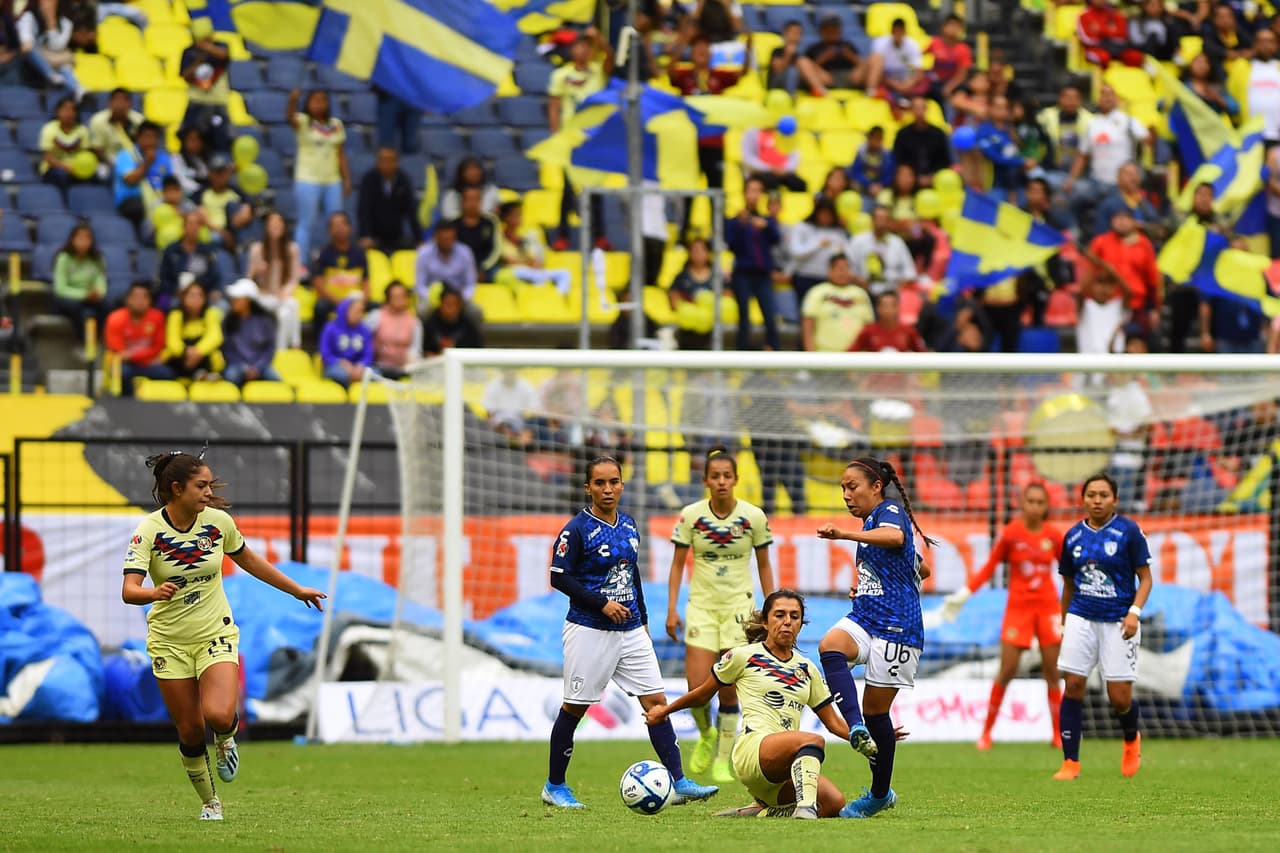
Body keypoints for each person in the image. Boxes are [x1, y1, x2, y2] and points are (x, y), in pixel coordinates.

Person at [122, 448, 325, 820]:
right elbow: (129, 590)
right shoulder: (148, 531)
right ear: (177, 488)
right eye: (201, 486)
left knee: (217, 713)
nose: (209, 492)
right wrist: (153, 592)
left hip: (215, 631)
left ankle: (226, 738)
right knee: (189, 730)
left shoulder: (218, 523)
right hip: (169, 640)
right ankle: (210, 803)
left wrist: (297, 590)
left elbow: (249, 560)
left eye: (210, 485)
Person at [540, 455, 719, 809]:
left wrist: (645, 619)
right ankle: (554, 785)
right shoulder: (576, 529)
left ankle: (678, 781)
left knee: (657, 703)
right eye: (600, 483)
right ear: (588, 487)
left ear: (622, 484)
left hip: (632, 629)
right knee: (574, 708)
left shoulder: (628, 525)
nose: (608, 489)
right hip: (590, 629)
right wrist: (601, 603)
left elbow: (631, 573)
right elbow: (558, 576)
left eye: (614, 482)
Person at [645, 590, 853, 819]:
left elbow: (834, 723)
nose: (787, 622)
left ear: (801, 624)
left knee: (834, 804)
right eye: (779, 615)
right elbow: (702, 694)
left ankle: (760, 811)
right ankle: (804, 810)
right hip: (753, 751)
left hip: (786, 762)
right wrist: (664, 711)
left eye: (795, 617)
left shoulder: (808, 669)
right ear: (765, 622)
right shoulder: (743, 656)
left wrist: (870, 740)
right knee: (813, 740)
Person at [816, 456, 935, 818]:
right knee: (830, 646)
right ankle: (854, 728)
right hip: (868, 616)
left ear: (876, 487)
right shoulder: (871, 523)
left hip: (898, 625)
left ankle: (880, 793)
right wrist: (871, 585)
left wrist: (844, 534)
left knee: (877, 713)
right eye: (842, 489)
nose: (846, 495)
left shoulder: (889, 511)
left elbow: (897, 538)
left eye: (852, 487)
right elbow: (922, 567)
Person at [665, 447, 776, 786]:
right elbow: (677, 564)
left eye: (728, 476)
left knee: (729, 689)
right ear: (706, 480)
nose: (722, 482)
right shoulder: (691, 516)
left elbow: (764, 564)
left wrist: (770, 608)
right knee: (697, 686)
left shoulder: (753, 517)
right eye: (716, 476)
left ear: (736, 479)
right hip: (701, 606)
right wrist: (671, 608)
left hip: (739, 610)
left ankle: (723, 761)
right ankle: (706, 734)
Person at [941, 483, 1065, 750]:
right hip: (1018, 609)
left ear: (1046, 507)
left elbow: (1069, 572)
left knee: (1052, 671)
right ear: (1022, 503)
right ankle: (986, 733)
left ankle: (1058, 734)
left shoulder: (1054, 536)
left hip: (1048, 609)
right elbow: (988, 568)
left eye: (1039, 502)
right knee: (1007, 669)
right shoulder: (1012, 533)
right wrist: (964, 594)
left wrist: (1069, 608)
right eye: (1030, 501)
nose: (1034, 506)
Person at [1052, 472, 1152, 781]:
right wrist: (1064, 621)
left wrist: (1134, 612)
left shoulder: (1129, 532)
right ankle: (1071, 762)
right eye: (1092, 495)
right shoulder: (1072, 537)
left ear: (1115, 500)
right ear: (1082, 499)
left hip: (1118, 620)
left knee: (1119, 695)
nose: (1097, 500)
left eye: (1104, 495)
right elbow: (1069, 584)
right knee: (1074, 686)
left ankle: (1131, 739)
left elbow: (1145, 578)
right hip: (1081, 615)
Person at [547, 28, 611, 250]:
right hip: (570, 139)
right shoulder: (560, 75)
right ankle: (562, 235)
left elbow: (613, 61)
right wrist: (556, 136)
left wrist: (599, 39)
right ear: (572, 49)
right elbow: (554, 107)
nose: (584, 50)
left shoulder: (598, 72)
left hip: (593, 139)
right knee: (567, 189)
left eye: (588, 46)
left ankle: (599, 237)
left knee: (595, 190)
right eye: (580, 45)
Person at [289, 87, 349, 263]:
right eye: (315, 100)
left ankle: (334, 260)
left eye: (323, 100)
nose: (319, 104)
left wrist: (346, 179)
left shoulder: (336, 124)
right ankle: (300, 265)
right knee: (306, 222)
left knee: (336, 223)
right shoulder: (303, 121)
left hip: (332, 180)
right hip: (308, 179)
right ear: (307, 103)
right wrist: (292, 101)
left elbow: (341, 154)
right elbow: (290, 118)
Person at [725, 176, 781, 351]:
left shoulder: (766, 220)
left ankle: (773, 351)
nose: (755, 195)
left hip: (763, 274)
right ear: (744, 193)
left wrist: (767, 225)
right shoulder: (735, 221)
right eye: (752, 190)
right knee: (744, 318)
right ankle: (742, 354)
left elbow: (777, 239)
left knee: (770, 316)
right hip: (743, 274)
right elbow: (731, 244)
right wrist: (742, 225)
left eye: (758, 191)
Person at [246, 210, 302, 350]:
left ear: (284, 226)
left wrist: (285, 292)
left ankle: (286, 347)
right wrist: (257, 271)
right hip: (263, 296)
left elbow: (294, 279)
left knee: (289, 308)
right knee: (289, 307)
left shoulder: (292, 249)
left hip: (281, 295)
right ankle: (294, 345)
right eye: (272, 223)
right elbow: (248, 279)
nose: (275, 226)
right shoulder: (257, 249)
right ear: (266, 227)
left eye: (279, 223)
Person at [310, 211, 369, 340]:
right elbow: (318, 284)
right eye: (334, 225)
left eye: (342, 224)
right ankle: (320, 346)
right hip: (333, 300)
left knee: (376, 308)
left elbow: (366, 282)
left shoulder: (359, 253)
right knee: (320, 307)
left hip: (355, 299)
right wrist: (339, 302)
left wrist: (362, 301)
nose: (339, 229)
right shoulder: (323, 253)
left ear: (350, 228)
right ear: (329, 231)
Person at [104, 281, 170, 395]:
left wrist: (133, 355)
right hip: (126, 364)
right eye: (135, 297)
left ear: (150, 301)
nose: (139, 301)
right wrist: (133, 357)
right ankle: (128, 404)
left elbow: (158, 346)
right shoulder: (115, 318)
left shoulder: (157, 317)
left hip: (148, 363)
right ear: (127, 300)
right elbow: (117, 350)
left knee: (166, 374)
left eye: (144, 297)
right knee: (122, 373)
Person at [801, 254, 874, 353]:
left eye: (846, 268)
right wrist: (811, 356)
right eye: (839, 268)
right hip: (825, 356)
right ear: (829, 271)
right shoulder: (817, 292)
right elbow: (808, 325)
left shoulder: (861, 294)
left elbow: (869, 327)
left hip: (856, 359)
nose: (842, 272)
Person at [179, 18, 232, 154]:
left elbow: (225, 55)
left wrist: (207, 47)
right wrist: (200, 58)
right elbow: (185, 75)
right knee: (190, 140)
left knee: (220, 141)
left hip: (218, 103)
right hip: (196, 103)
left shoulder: (221, 46)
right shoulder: (189, 52)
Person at [51, 222, 107, 344]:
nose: (84, 241)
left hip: (90, 298)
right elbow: (60, 289)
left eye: (87, 238)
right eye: (80, 238)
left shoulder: (97, 259)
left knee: (107, 305)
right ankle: (83, 343)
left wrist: (97, 294)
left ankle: (101, 343)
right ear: (72, 239)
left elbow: (100, 283)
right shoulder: (63, 258)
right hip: (68, 298)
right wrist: (84, 295)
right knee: (81, 311)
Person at [114, 121, 176, 232]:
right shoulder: (127, 155)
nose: (151, 141)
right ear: (138, 138)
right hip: (132, 201)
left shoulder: (163, 157)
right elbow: (131, 180)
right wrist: (147, 162)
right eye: (147, 136)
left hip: (160, 200)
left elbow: (169, 183)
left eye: (155, 137)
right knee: (137, 208)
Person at [498, 202, 571, 293]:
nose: (519, 218)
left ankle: (557, 298)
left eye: (519, 215)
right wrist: (528, 262)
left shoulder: (525, 237)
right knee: (527, 273)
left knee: (564, 273)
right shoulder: (498, 238)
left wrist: (534, 263)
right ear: (506, 218)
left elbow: (535, 259)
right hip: (515, 272)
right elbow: (509, 261)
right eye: (515, 215)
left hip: (530, 271)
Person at [219, 278, 280, 386]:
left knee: (276, 380)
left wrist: (257, 367)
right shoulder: (227, 321)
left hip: (260, 366)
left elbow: (269, 348)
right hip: (236, 365)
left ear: (248, 301)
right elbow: (227, 350)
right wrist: (243, 367)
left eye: (237, 299)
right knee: (230, 377)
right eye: (233, 299)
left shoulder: (265, 321)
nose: (233, 302)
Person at [357, 147, 418, 253]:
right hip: (373, 236)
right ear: (378, 162)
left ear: (397, 162)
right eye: (384, 160)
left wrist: (419, 238)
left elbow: (411, 211)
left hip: (397, 235)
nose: (387, 164)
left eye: (391, 160)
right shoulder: (368, 179)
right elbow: (364, 210)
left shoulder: (403, 180)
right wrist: (366, 236)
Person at [847, 206, 915, 300]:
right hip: (863, 292)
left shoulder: (897, 242)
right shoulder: (858, 241)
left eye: (884, 219)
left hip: (891, 293)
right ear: (872, 220)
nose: (880, 222)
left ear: (889, 221)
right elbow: (847, 268)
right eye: (878, 218)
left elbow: (910, 272)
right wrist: (859, 281)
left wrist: (896, 291)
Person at [789, 199, 849, 304]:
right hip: (805, 277)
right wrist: (818, 245)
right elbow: (796, 252)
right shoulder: (802, 227)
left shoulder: (838, 232)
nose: (825, 218)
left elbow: (845, 255)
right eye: (823, 214)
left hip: (829, 279)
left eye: (829, 215)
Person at [158, 212, 221, 309]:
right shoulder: (171, 250)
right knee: (164, 303)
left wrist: (213, 290)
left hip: (201, 293)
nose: (194, 227)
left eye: (197, 224)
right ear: (183, 227)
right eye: (191, 224)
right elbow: (164, 277)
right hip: (175, 292)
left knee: (221, 305)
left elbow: (214, 276)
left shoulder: (206, 251)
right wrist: (176, 290)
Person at [164, 281, 223, 381]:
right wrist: (186, 353)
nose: (196, 299)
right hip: (181, 357)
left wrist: (198, 352)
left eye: (199, 296)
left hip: (203, 356)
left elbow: (215, 337)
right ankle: (199, 375)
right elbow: (172, 342)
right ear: (183, 298)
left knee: (214, 356)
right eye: (191, 295)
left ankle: (202, 374)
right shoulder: (175, 315)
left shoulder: (211, 313)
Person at [796, 14, 867, 96]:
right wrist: (823, 58)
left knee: (874, 58)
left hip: (851, 77)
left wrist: (850, 56)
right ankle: (820, 91)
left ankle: (871, 90)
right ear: (822, 31)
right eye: (828, 29)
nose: (832, 32)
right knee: (802, 61)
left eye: (835, 29)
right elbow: (806, 70)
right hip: (827, 77)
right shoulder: (814, 47)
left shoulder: (848, 45)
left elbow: (861, 65)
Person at [366, 280, 421, 379]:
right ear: (388, 298)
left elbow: (416, 349)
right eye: (396, 297)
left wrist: (411, 365)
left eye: (403, 296)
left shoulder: (415, 322)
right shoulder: (376, 316)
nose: (400, 300)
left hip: (404, 369)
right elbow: (364, 339)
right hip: (379, 368)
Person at [39, 95, 91, 200]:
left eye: (72, 110)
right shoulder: (49, 129)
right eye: (65, 109)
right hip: (53, 169)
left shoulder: (82, 131)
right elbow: (48, 158)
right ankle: (64, 203)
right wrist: (66, 168)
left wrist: (79, 168)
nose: (69, 113)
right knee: (61, 175)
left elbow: (85, 155)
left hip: (77, 169)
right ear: (57, 111)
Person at [197, 154, 252, 250]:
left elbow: (248, 208)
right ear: (210, 174)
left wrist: (247, 210)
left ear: (228, 173)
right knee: (214, 238)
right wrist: (224, 234)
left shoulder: (237, 192)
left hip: (236, 230)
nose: (220, 176)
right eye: (216, 173)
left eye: (223, 172)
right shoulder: (202, 193)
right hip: (214, 232)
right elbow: (203, 218)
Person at [892, 97, 951, 186]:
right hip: (910, 179)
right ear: (911, 111)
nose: (919, 112)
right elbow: (899, 159)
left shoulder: (938, 134)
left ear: (926, 109)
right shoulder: (903, 134)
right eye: (916, 109)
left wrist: (932, 175)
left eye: (921, 108)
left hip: (935, 176)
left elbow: (944, 160)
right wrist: (914, 177)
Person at [866, 18, 928, 102]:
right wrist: (893, 84)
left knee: (924, 82)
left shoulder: (912, 45)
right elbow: (876, 69)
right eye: (896, 31)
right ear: (892, 31)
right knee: (874, 60)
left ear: (904, 32)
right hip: (887, 81)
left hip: (905, 82)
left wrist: (908, 84)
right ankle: (871, 91)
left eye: (900, 31)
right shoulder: (881, 43)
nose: (898, 35)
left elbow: (919, 71)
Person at [319, 295, 373, 387]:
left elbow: (368, 355)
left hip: (358, 367)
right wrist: (342, 362)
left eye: (361, 311)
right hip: (335, 366)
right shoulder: (330, 328)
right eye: (356, 311)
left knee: (375, 374)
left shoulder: (365, 330)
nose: (360, 315)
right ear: (345, 310)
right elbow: (325, 354)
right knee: (341, 375)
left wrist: (360, 365)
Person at [414, 221, 477, 303]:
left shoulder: (465, 252)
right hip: (432, 299)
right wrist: (435, 299)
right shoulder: (423, 253)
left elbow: (470, 284)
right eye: (444, 239)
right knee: (422, 310)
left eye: (450, 239)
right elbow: (420, 285)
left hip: (459, 299)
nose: (447, 242)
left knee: (475, 312)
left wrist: (461, 298)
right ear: (436, 236)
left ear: (455, 236)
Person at [451, 185, 501, 281]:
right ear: (462, 202)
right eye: (469, 199)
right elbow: (449, 249)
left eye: (476, 199)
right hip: (459, 266)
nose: (472, 203)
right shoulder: (453, 222)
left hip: (486, 266)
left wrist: (483, 267)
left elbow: (496, 249)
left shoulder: (491, 221)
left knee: (497, 275)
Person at [89, 87, 144, 167]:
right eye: (117, 100)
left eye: (124, 100)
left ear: (130, 104)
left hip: (135, 163)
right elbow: (98, 150)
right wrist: (114, 167)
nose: (120, 104)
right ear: (109, 103)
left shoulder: (139, 121)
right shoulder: (98, 121)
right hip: (108, 163)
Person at [422, 286, 483, 354]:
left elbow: (476, 351)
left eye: (454, 304)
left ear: (460, 306)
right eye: (447, 304)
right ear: (440, 304)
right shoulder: (429, 324)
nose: (450, 308)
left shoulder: (468, 326)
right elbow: (423, 351)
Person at [439, 157, 501, 222]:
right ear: (461, 173)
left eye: (476, 169)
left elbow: (497, 214)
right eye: (470, 170)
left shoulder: (491, 189)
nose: (474, 173)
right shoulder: (451, 194)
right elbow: (448, 216)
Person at [766, 20, 805, 93]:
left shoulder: (800, 55)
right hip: (775, 86)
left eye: (799, 33)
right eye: (793, 32)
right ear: (785, 34)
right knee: (792, 71)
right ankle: (791, 99)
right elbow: (777, 71)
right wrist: (788, 55)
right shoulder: (777, 51)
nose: (796, 36)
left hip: (795, 85)